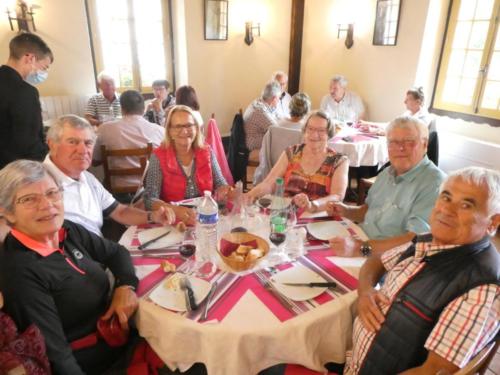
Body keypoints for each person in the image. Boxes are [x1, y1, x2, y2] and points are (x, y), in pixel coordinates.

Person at [346, 167, 500, 374]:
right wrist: (365, 291)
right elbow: (377, 261)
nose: (447, 210)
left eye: (466, 205)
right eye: (446, 198)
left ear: (492, 223)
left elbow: (433, 371)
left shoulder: (480, 287)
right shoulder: (430, 240)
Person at [0, 160, 140, 374]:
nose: (47, 205)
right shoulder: (20, 272)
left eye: (52, 193)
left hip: (123, 339)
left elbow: (115, 252)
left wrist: (126, 286)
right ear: (7, 213)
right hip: (99, 365)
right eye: (29, 199)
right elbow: (57, 356)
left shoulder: (65, 229)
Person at [327, 116, 446, 257]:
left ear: (425, 145)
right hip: (362, 241)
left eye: (409, 141)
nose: (400, 148)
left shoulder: (435, 184)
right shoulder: (387, 172)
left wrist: (361, 248)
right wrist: (346, 211)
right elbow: (369, 211)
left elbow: (415, 242)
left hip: (389, 261)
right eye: (393, 142)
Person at [44, 115, 175, 237]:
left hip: (98, 250)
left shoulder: (87, 178)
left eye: (88, 143)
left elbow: (120, 211)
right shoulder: (39, 185)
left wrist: (153, 216)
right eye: (72, 142)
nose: (83, 150)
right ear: (52, 144)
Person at [245, 110, 349, 213]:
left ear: (329, 134)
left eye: (321, 130)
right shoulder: (292, 152)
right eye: (310, 129)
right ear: (304, 131)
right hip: (287, 214)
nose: (314, 134)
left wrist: (312, 205)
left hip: (320, 217)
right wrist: (248, 195)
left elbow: (337, 196)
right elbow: (268, 183)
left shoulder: (339, 161)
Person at [144, 105, 232, 225]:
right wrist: (174, 209)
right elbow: (149, 200)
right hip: (173, 222)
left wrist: (226, 191)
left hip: (205, 218)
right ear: (169, 130)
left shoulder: (207, 151)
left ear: (196, 128)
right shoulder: (158, 156)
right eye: (178, 126)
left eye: (189, 125)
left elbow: (221, 183)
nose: (185, 131)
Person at [93, 90, 165, 197]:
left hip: (115, 192)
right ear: (142, 109)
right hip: (149, 190)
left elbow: (95, 161)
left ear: (122, 109)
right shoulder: (159, 131)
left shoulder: (104, 129)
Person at [0, 33, 53, 169]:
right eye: (44, 68)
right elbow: (29, 143)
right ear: (30, 58)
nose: (44, 73)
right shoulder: (24, 92)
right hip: (13, 171)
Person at [359, 86, 433, 135]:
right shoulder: (408, 113)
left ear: (418, 102)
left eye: (408, 99)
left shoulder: (423, 118)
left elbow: (403, 134)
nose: (404, 102)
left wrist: (374, 131)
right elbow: (392, 125)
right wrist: (368, 123)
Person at [243, 81, 281, 151]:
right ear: (274, 98)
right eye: (279, 98)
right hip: (251, 144)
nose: (279, 100)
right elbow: (277, 130)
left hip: (249, 139)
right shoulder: (260, 111)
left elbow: (276, 117)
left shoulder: (259, 101)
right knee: (280, 140)